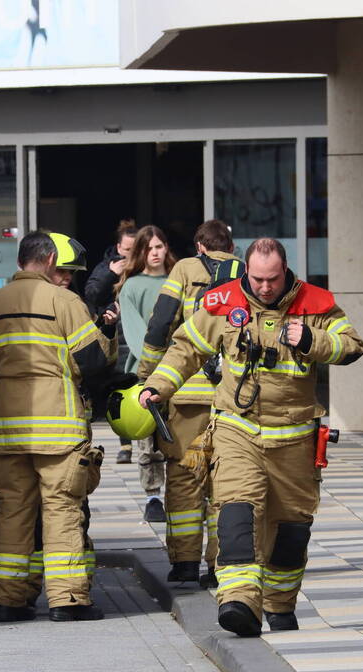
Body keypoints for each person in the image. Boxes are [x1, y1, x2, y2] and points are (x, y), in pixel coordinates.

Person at [140, 238, 363, 636]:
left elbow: (352, 346)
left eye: (273, 279)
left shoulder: (315, 302)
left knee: (291, 528)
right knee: (236, 514)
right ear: (247, 271)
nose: (264, 287)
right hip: (237, 430)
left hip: (295, 440)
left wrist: (313, 341)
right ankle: (239, 602)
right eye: (257, 279)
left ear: (285, 271)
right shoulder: (222, 302)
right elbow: (186, 348)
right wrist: (158, 386)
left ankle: (280, 605)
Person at [0, 231, 116, 623]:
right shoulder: (65, 302)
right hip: (60, 432)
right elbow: (93, 362)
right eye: (62, 268)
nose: (66, 276)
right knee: (62, 512)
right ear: (49, 261)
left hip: (10, 433)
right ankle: (67, 600)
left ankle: (7, 600)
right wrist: (107, 335)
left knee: (13, 513)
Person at [137, 219, 241, 585]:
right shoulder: (245, 275)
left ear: (200, 246)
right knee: (223, 483)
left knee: (183, 479)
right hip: (232, 398)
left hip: (187, 396)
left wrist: (149, 373)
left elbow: (160, 323)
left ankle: (183, 563)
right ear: (230, 247)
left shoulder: (184, 269)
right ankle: (218, 565)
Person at [116, 225, 176, 522]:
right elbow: (135, 331)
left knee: (179, 434)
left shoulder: (179, 281)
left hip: (181, 371)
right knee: (148, 436)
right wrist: (158, 363)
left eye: (159, 246)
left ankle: (182, 492)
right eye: (149, 248)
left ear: (167, 248)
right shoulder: (132, 286)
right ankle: (153, 494)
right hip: (146, 371)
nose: (155, 252)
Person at [86, 219, 139, 464]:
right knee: (119, 389)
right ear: (118, 247)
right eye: (126, 250)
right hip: (116, 334)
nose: (130, 255)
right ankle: (125, 444)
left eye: (135, 249)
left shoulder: (148, 267)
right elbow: (93, 293)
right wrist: (111, 274)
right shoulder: (107, 266)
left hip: (141, 334)